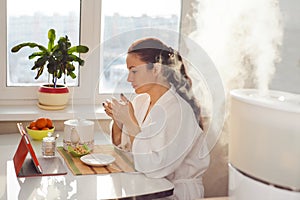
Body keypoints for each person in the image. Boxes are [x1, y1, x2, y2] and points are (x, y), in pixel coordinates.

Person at [103, 37, 210, 200]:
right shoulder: (141, 101)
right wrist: (118, 121)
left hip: (175, 194)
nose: (129, 79)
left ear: (156, 69)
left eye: (134, 71)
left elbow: (154, 167)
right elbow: (126, 149)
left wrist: (129, 121)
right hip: (146, 189)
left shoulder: (178, 111)